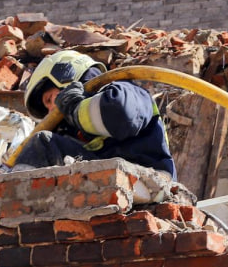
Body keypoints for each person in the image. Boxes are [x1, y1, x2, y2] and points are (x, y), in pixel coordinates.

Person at [14, 50, 176, 177]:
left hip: (148, 179)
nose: (51, 110)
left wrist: (74, 108)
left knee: (43, 144)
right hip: (113, 184)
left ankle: (13, 200)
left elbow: (120, 115)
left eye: (49, 99)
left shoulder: (124, 91)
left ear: (66, 75)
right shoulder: (73, 130)